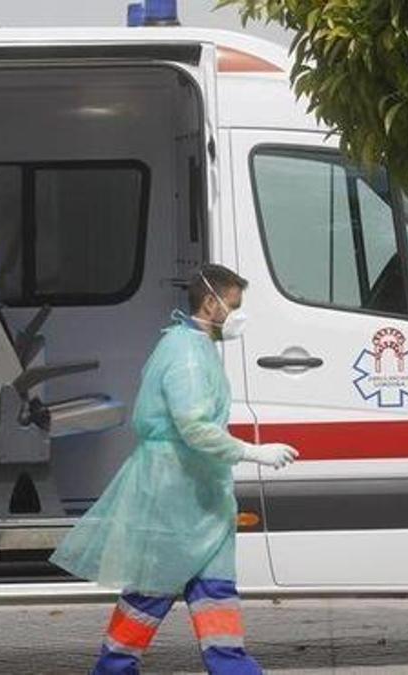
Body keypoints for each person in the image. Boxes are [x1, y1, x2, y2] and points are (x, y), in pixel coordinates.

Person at [50, 264, 299, 675]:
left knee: (212, 587)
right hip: (175, 490)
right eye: (234, 305)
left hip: (196, 489)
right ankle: (115, 667)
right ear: (210, 303)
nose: (238, 314)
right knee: (154, 588)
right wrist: (253, 452)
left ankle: (230, 667)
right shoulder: (186, 355)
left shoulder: (194, 345)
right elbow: (194, 427)